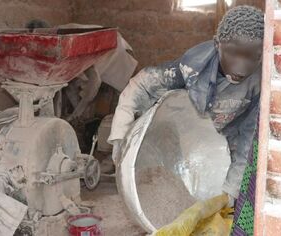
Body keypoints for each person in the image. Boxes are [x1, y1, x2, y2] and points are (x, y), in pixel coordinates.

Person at [108, 5, 264, 204]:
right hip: (186, 138)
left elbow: (249, 139)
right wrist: (120, 136)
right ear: (218, 45)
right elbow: (140, 86)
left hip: (228, 147)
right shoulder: (191, 68)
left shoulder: (261, 83)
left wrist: (231, 191)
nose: (241, 66)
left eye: (252, 57)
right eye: (233, 53)